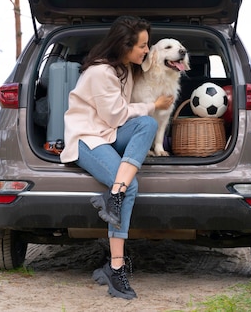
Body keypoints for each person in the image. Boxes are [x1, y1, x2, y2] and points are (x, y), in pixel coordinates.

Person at [60, 15, 175, 300]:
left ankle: (113, 196)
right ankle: (116, 267)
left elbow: (125, 114)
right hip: (88, 138)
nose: (146, 51)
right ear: (125, 45)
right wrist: (152, 105)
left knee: (147, 125)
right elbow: (115, 114)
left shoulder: (125, 68)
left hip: (109, 134)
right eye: (143, 46)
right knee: (129, 186)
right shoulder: (101, 73)